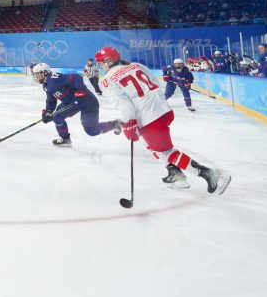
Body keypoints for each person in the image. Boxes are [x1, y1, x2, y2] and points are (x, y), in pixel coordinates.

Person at [95, 46, 230, 194]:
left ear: (108, 61)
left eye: (101, 63)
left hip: (149, 118)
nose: (101, 66)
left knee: (166, 152)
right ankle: (175, 174)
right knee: (150, 144)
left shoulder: (108, 80)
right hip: (164, 110)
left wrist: (128, 123)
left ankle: (211, 174)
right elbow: (156, 84)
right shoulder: (136, 65)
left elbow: (125, 105)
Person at [32, 62, 118, 147]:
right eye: (35, 74)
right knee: (57, 117)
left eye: (38, 74)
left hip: (88, 102)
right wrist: (48, 111)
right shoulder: (46, 85)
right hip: (72, 102)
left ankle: (115, 124)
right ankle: (65, 139)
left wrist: (79, 90)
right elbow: (51, 100)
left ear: (45, 72)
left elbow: (76, 77)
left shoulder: (54, 79)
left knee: (92, 131)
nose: (36, 76)